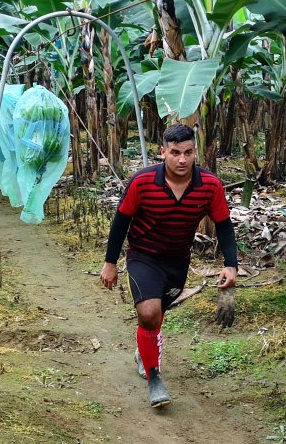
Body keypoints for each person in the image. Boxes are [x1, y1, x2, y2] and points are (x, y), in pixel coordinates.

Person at [99, 123, 238, 408]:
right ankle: (154, 377)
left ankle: (145, 350)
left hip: (177, 261)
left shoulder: (210, 185)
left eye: (188, 152)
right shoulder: (142, 182)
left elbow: (223, 225)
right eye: (175, 152)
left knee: (157, 314)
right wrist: (110, 262)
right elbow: (121, 222)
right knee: (148, 313)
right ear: (163, 152)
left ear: (195, 152)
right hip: (143, 256)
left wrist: (231, 265)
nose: (182, 160)